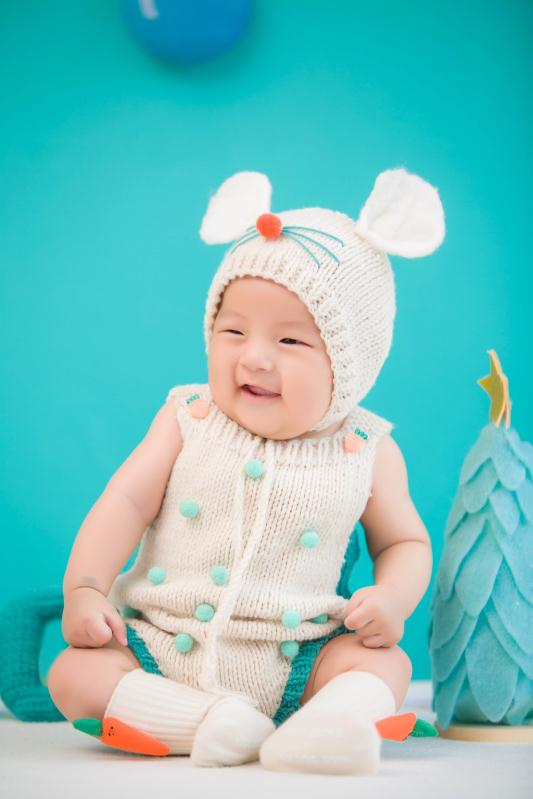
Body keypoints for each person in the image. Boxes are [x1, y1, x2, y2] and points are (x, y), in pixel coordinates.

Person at [47, 167, 444, 775]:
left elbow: (405, 543)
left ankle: (328, 724)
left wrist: (393, 598)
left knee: (386, 664)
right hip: (162, 644)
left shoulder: (367, 448)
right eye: (232, 330)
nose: (254, 357)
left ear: (350, 366)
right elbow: (124, 502)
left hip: (301, 657)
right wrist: (85, 590)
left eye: (290, 342)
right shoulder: (187, 416)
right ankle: (207, 723)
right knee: (75, 672)